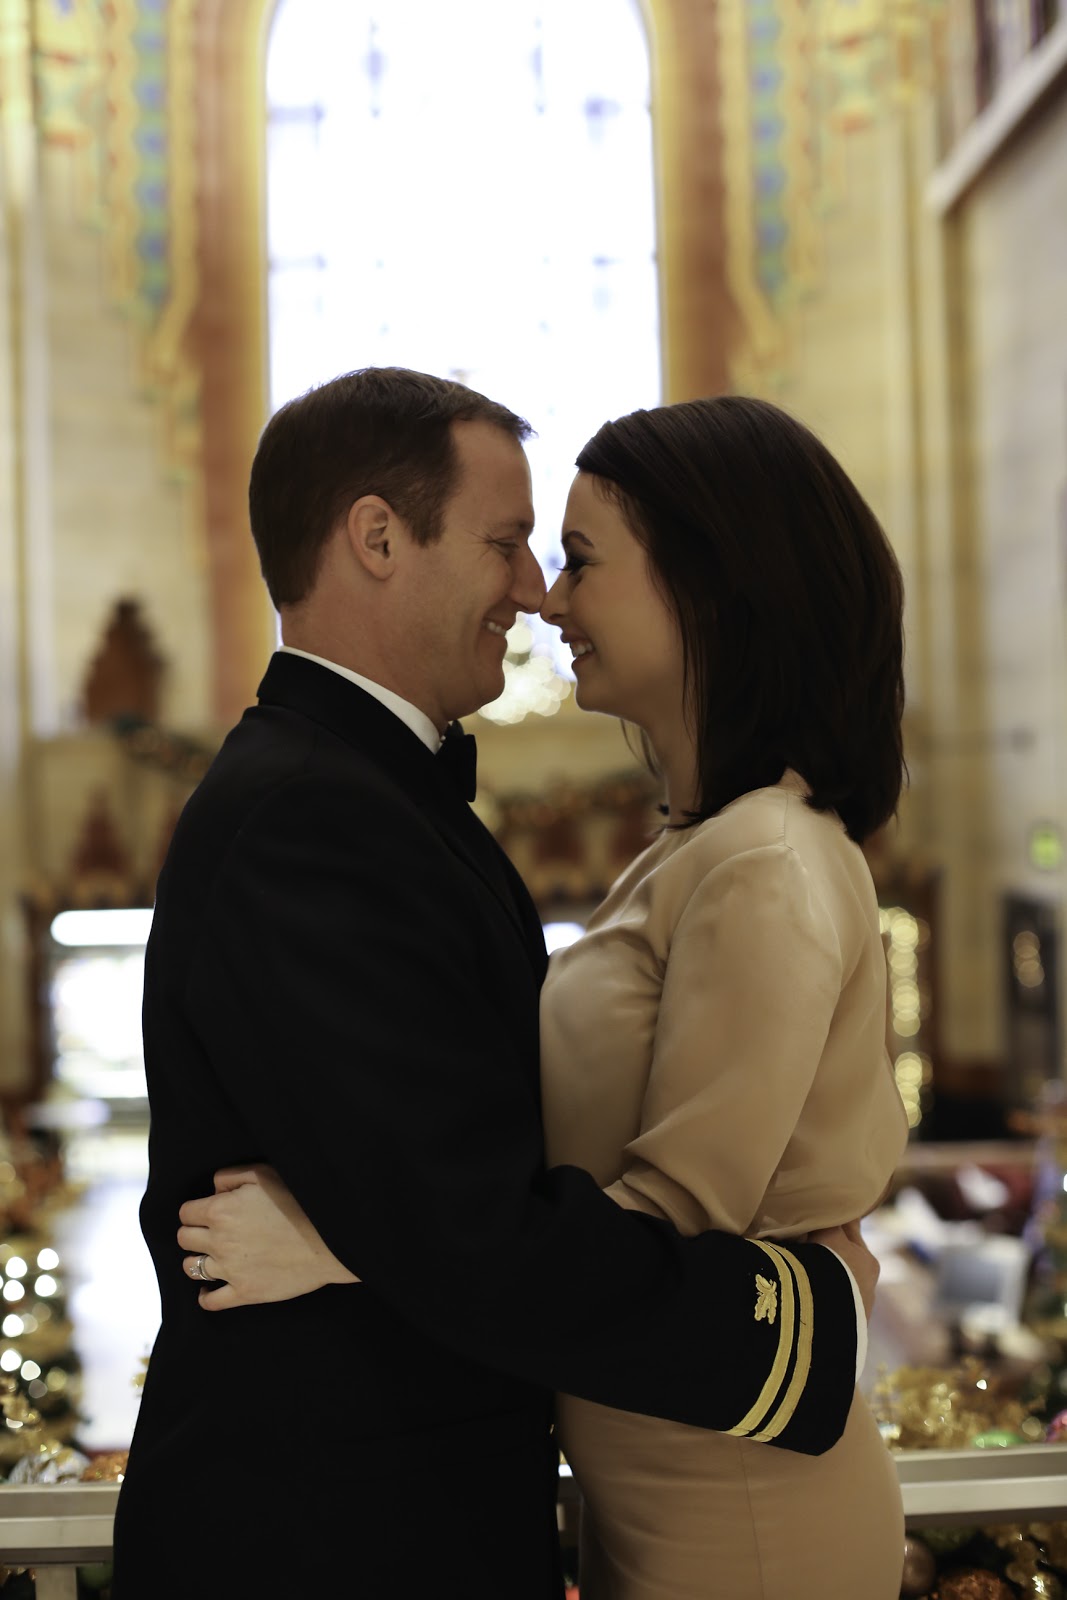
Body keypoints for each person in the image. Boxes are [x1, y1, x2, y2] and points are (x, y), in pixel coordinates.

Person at [114, 369, 877, 1600]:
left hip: (599, 1498)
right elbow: (459, 1217)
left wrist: (350, 1240)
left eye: (563, 555)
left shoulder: (367, 795)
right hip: (340, 1543)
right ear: (376, 538)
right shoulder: (312, 816)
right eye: (508, 541)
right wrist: (805, 1321)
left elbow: (460, 1202)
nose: (533, 589)